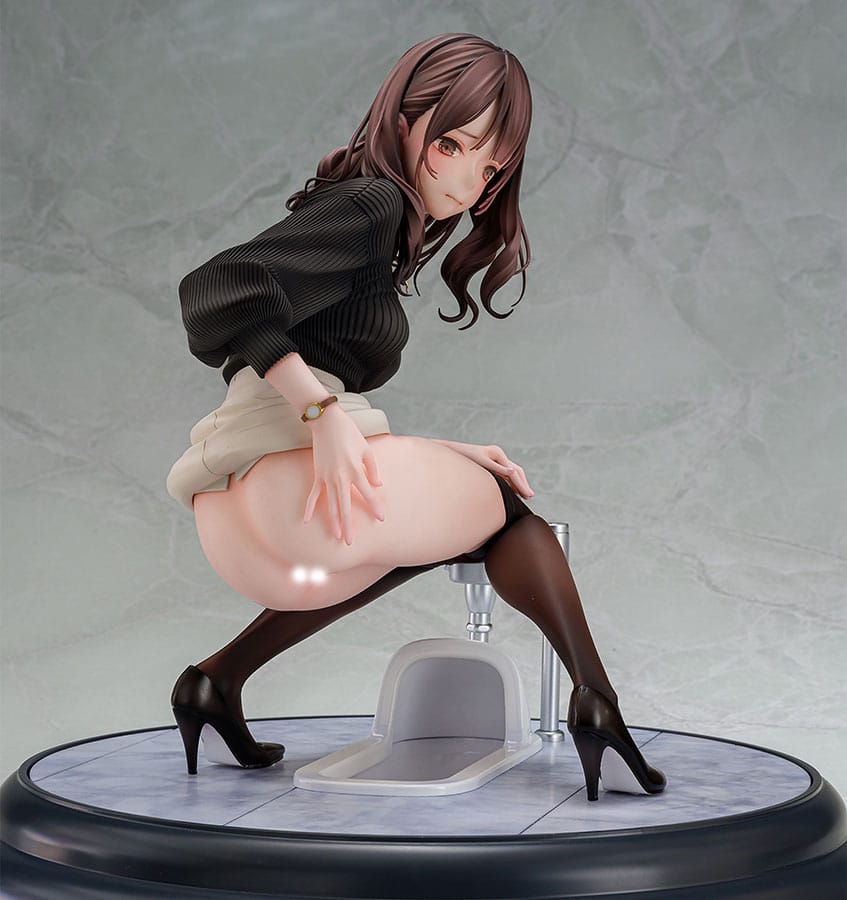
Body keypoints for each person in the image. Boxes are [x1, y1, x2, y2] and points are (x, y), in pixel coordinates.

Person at [166, 33, 665, 802]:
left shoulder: (362, 221)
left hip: (238, 508)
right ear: (401, 122)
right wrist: (322, 412)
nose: (466, 182)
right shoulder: (371, 203)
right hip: (284, 487)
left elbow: (284, 367)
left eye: (489, 169)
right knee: (505, 511)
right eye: (452, 144)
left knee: (451, 522)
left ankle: (217, 680)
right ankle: (596, 701)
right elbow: (215, 287)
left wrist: (422, 446)